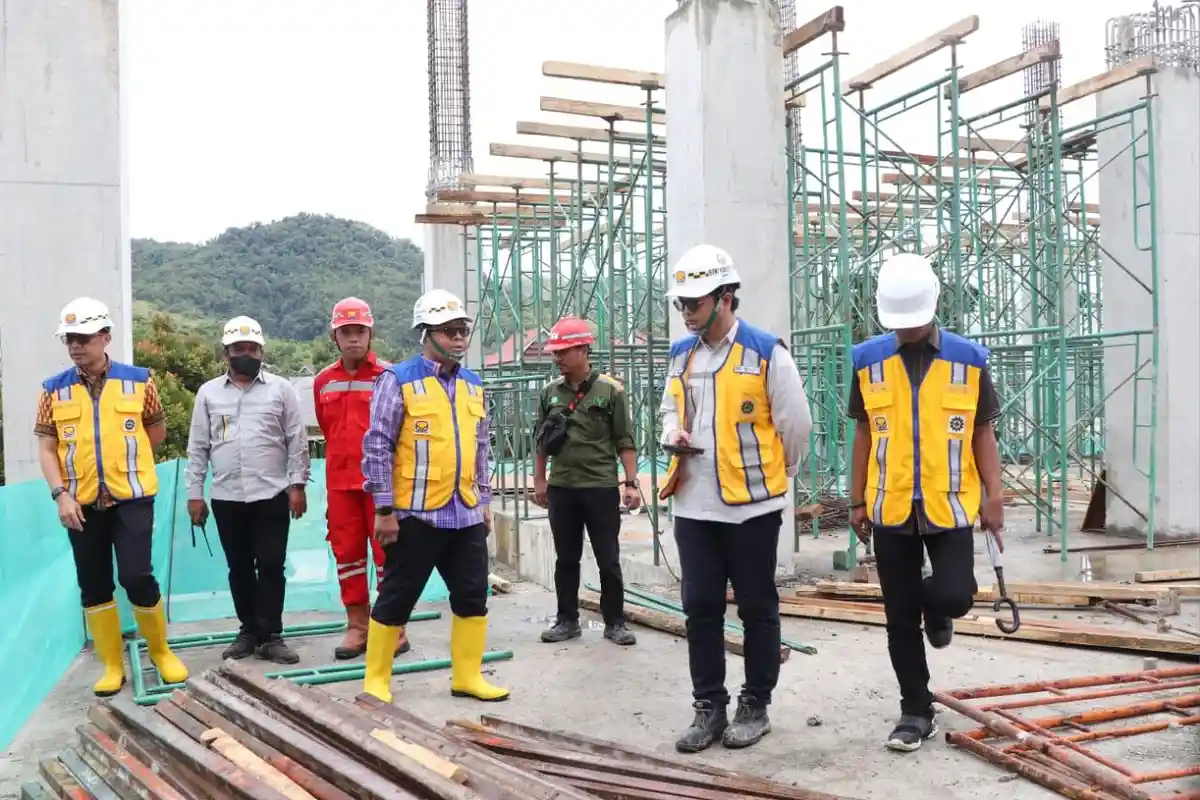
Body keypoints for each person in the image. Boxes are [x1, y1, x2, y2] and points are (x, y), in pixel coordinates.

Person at [846, 251, 1004, 753]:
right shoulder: (868, 359)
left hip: (950, 504)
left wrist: (994, 498)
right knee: (898, 619)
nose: (905, 329)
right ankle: (915, 709)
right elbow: (864, 434)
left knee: (956, 595)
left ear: (931, 308)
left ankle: (935, 611)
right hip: (889, 507)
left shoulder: (969, 359)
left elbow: (983, 433)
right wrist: (855, 501)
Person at [658, 244, 813, 753]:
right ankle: (709, 707)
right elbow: (668, 408)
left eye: (694, 303)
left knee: (756, 608)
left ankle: (756, 704)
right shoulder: (682, 354)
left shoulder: (767, 352)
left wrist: (775, 474)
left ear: (725, 298)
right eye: (681, 303)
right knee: (699, 606)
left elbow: (796, 426)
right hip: (694, 504)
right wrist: (674, 432)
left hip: (752, 509)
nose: (686, 312)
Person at [35, 297, 189, 696]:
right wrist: (60, 495)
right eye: (70, 339)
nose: (75, 346)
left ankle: (161, 651)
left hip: (132, 497)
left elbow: (154, 432)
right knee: (94, 582)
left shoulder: (139, 381)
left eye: (83, 337)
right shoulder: (53, 390)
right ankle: (111, 665)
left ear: (105, 337)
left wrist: (125, 467)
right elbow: (47, 448)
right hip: (80, 502)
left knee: (137, 575)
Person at [360, 288, 508, 705]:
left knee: (472, 595)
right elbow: (377, 447)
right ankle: (376, 680)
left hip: (463, 513)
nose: (460, 338)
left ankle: (467, 676)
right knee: (397, 596)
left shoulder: (472, 385)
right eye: (450, 330)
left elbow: (482, 449)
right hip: (415, 514)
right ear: (426, 333)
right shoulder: (398, 381)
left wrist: (483, 503)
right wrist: (384, 509)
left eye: (463, 330)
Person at [185, 315, 311, 665]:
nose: (246, 353)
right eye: (239, 348)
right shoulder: (208, 393)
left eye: (252, 348)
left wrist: (297, 485)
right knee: (238, 566)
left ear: (261, 350)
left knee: (271, 564)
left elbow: (296, 441)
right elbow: (198, 447)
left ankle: (272, 635)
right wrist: (194, 493)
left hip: (272, 494)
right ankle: (248, 631)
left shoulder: (281, 389)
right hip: (227, 497)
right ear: (226, 352)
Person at [532, 316, 640, 647]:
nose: (557, 358)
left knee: (608, 557)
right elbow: (541, 439)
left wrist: (631, 484)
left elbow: (625, 439)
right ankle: (567, 620)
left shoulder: (611, 391)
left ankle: (615, 622)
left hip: (600, 488)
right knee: (566, 558)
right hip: (562, 488)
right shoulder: (550, 393)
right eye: (555, 353)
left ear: (583, 349)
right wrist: (539, 480)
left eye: (563, 351)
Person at [313, 297, 411, 660]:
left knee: (388, 555)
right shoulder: (323, 381)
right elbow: (327, 429)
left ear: (371, 334)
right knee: (348, 556)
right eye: (346, 332)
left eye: (360, 331)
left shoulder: (390, 376)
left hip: (382, 485)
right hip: (341, 485)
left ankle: (393, 627)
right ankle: (358, 627)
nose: (353, 338)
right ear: (334, 337)